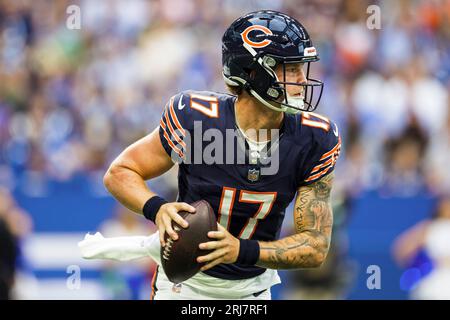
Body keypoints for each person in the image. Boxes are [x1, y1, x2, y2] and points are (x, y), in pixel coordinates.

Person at [103, 10, 341, 300]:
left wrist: (240, 250)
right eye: (290, 68)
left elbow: (315, 246)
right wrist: (157, 208)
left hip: (252, 290)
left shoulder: (314, 138)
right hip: (185, 285)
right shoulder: (197, 119)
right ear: (252, 72)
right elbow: (120, 172)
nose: (302, 79)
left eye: (302, 68)